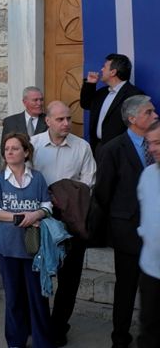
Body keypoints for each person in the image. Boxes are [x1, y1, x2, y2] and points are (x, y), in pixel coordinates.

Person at [30, 100, 96, 346]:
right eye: (60, 119)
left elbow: (89, 183)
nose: (66, 123)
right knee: (38, 273)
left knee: (69, 278)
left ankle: (58, 326)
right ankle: (39, 324)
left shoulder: (82, 147)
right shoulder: (33, 145)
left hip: (73, 218)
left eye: (68, 118)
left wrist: (68, 199)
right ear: (47, 121)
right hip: (41, 218)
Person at [94, 95, 158, 348]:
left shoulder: (157, 145)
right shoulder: (113, 149)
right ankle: (120, 338)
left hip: (154, 233)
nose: (155, 115)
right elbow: (103, 192)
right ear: (132, 118)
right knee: (126, 288)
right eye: (149, 112)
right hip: (127, 231)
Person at [0, 133, 54, 348]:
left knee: (38, 296)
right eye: (7, 149)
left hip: (34, 248)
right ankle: (16, 341)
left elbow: (47, 205)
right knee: (14, 297)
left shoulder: (38, 178)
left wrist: (35, 215)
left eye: (15, 148)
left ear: (26, 152)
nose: (9, 152)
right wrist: (17, 217)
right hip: (6, 247)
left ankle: (42, 341)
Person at [80, 53, 143, 153]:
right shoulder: (102, 93)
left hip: (120, 151)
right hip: (98, 148)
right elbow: (85, 104)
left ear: (113, 72)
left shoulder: (134, 94)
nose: (102, 70)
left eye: (104, 67)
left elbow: (139, 127)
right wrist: (90, 84)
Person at [137, 120, 160, 348]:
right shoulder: (147, 175)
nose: (153, 149)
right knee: (149, 329)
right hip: (151, 269)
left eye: (158, 143)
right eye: (150, 143)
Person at [1, 87, 47, 151]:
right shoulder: (10, 122)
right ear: (25, 102)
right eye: (35, 100)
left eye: (41, 100)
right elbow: (4, 149)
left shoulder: (49, 121)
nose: (39, 103)